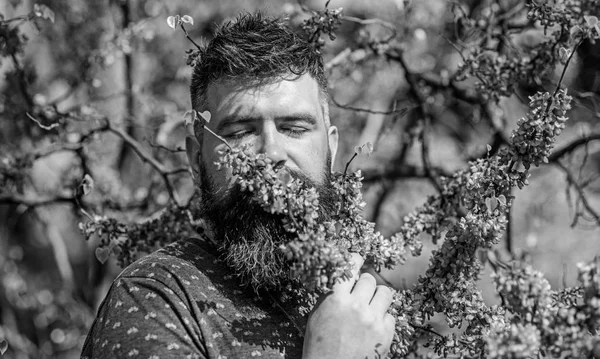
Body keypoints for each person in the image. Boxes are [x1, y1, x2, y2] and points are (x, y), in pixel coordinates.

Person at [81, 12, 395, 359]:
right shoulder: (156, 296)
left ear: (331, 150)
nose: (271, 153)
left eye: (294, 128)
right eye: (240, 132)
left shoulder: (370, 304)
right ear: (195, 161)